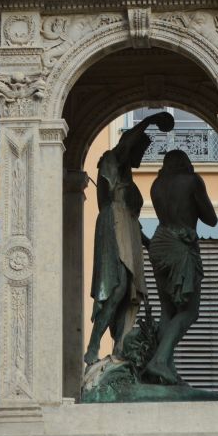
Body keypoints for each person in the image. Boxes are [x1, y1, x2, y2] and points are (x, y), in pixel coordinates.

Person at [84, 111, 174, 365]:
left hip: (129, 229)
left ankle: (120, 349)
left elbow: (133, 219)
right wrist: (150, 120)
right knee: (118, 286)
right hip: (114, 225)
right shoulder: (114, 159)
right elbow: (126, 144)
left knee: (129, 292)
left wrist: (147, 242)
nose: (141, 158)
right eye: (140, 151)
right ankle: (93, 346)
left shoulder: (126, 175)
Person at [144, 149, 218, 385]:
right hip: (180, 245)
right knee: (189, 311)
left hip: (158, 244)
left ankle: (166, 371)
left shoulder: (156, 185)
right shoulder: (192, 181)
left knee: (167, 310)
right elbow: (211, 219)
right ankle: (159, 361)